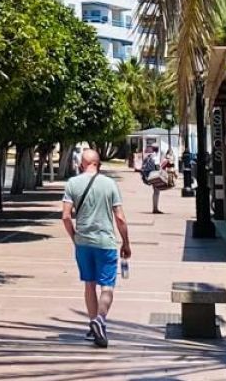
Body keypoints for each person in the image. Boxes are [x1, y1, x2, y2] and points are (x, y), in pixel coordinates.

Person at [62, 148, 131, 348]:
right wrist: (126, 242)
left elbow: (66, 216)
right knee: (107, 286)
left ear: (82, 163)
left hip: (83, 243)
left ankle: (93, 327)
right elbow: (119, 217)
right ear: (97, 163)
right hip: (106, 243)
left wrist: (74, 237)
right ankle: (100, 320)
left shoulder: (72, 183)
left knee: (89, 285)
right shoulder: (109, 184)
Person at [141, 149, 163, 214]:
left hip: (151, 175)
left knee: (156, 191)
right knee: (156, 191)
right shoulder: (156, 156)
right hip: (155, 175)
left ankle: (155, 208)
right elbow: (157, 166)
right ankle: (155, 208)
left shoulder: (149, 156)